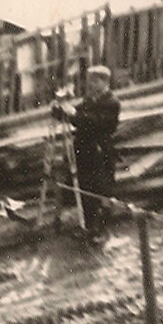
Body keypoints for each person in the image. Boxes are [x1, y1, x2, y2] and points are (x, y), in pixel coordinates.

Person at [55, 65, 120, 240]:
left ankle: (100, 231)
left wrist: (74, 113)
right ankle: (88, 227)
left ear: (105, 81)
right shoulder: (90, 99)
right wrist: (60, 108)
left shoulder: (112, 102)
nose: (91, 84)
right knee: (84, 187)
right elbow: (76, 117)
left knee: (100, 190)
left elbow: (96, 124)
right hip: (84, 149)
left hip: (99, 149)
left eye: (95, 81)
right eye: (90, 80)